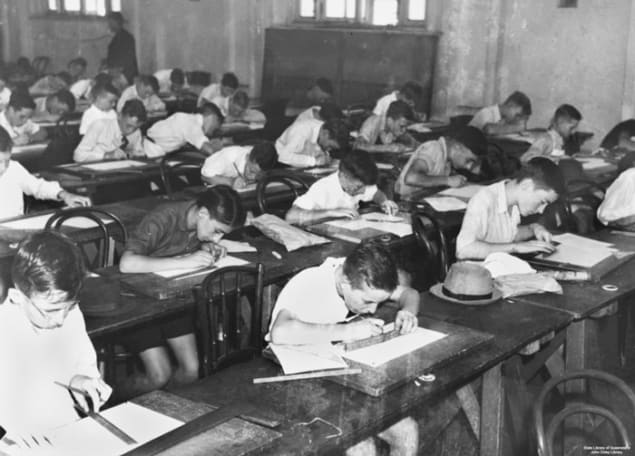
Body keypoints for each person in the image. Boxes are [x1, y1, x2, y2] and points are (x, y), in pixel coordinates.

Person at [267, 241, 419, 456]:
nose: (373, 309)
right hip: (293, 384)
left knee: (407, 431)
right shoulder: (310, 283)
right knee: (362, 447)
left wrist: (408, 311)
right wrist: (347, 332)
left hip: (334, 381)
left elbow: (409, 294)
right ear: (346, 282)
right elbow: (280, 333)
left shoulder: (358, 275)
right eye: (367, 301)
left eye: (379, 302)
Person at [118, 186, 245, 397]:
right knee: (159, 375)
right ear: (203, 213)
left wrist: (206, 248)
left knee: (191, 371)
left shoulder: (199, 221)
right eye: (217, 231)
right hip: (137, 304)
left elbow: (186, 245)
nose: (217, 239)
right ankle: (109, 402)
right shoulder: (163, 217)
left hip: (172, 300)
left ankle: (162, 408)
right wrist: (187, 260)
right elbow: (127, 264)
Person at [0, 231, 112, 439]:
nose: (61, 319)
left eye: (69, 307)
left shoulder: (67, 313)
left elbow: (81, 360)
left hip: (64, 429)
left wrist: (80, 379)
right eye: (51, 311)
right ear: (18, 297)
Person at [455, 157, 565, 260]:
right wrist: (515, 247)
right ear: (526, 185)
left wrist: (534, 228)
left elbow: (506, 235)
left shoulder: (514, 201)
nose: (541, 210)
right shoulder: (484, 199)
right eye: (542, 202)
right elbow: (464, 249)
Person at [285, 150, 398, 225]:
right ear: (344, 176)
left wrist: (384, 201)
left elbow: (376, 193)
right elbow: (291, 217)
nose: (363, 191)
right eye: (359, 187)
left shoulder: (361, 181)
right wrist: (330, 213)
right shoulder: (323, 188)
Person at [0, 127, 89, 220]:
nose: (3, 168)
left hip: (16, 229)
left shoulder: (13, 168)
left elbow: (38, 186)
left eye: (6, 160)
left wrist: (64, 194)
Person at [395, 125, 486, 198]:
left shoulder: (447, 160)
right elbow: (411, 178)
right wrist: (448, 180)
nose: (469, 167)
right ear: (457, 147)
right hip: (405, 203)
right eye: (468, 161)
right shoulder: (434, 148)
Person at [74, 99, 147, 162]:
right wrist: (106, 156)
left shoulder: (137, 132)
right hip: (97, 171)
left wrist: (137, 155)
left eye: (135, 128)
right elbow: (78, 155)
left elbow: (138, 152)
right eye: (128, 126)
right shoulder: (100, 126)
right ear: (120, 115)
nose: (130, 131)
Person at [144, 102, 225, 157]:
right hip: (152, 151)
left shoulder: (189, 118)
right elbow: (209, 151)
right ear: (212, 117)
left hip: (155, 148)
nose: (213, 130)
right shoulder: (192, 125)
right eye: (215, 125)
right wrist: (221, 148)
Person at [275, 117, 350, 168]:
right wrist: (315, 161)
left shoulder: (323, 130)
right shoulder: (302, 130)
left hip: (301, 165)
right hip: (280, 164)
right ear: (325, 133)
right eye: (330, 146)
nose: (329, 149)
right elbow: (283, 157)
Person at [201, 141, 278, 189]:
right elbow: (205, 176)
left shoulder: (262, 160)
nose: (253, 177)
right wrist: (231, 182)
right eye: (252, 171)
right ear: (247, 158)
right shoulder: (228, 156)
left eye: (259, 175)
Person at [106, 12, 138, 84]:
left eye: (110, 22)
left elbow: (129, 58)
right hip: (117, 73)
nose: (109, 25)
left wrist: (119, 70)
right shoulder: (116, 37)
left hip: (125, 74)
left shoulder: (127, 37)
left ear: (116, 22)